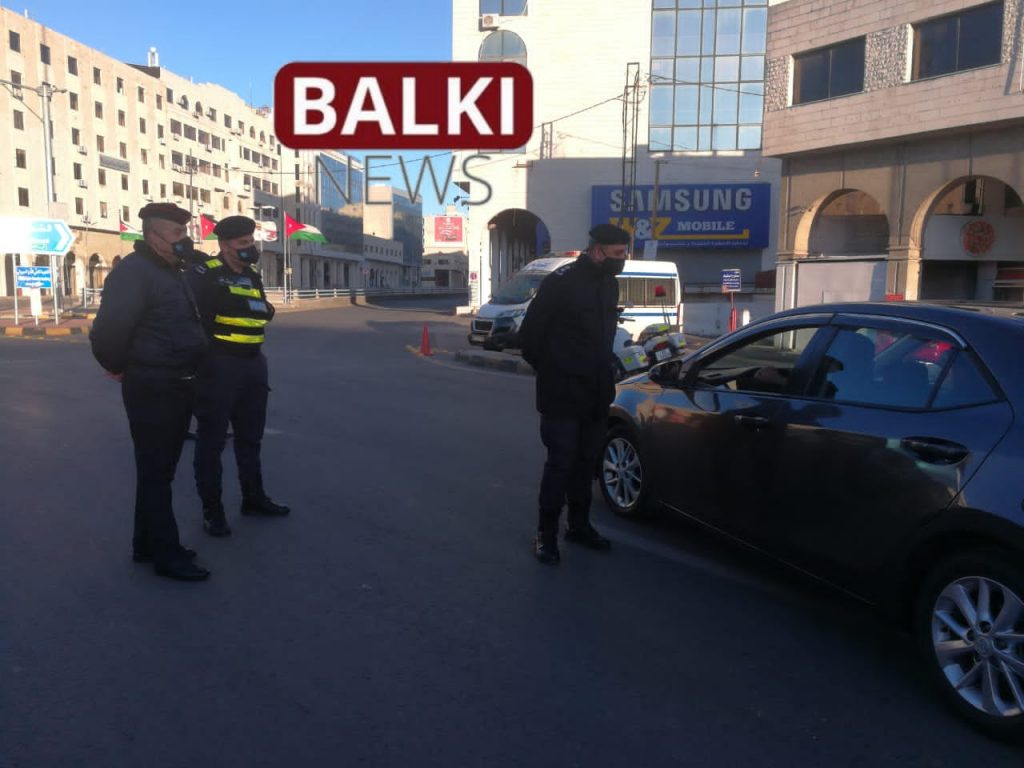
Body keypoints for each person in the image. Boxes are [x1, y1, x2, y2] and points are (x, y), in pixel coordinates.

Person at [89, 202, 211, 582]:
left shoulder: (170, 270)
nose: (184, 240)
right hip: (154, 386)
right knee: (158, 473)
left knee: (157, 472)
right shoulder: (134, 272)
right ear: (153, 236)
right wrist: (117, 365)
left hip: (177, 382)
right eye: (177, 234)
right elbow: (108, 330)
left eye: (185, 232)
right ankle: (166, 554)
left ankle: (146, 543)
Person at [518, 224, 630, 564]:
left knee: (586, 462)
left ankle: (578, 526)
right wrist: (554, 370)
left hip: (596, 392)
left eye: (624, 253)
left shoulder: (609, 284)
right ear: (597, 251)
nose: (622, 260)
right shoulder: (561, 282)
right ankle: (546, 534)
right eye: (617, 254)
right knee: (561, 463)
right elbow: (529, 337)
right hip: (562, 392)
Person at [187, 215, 289, 538]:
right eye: (243, 243)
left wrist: (254, 308)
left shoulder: (251, 275)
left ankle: (253, 498)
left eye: (251, 242)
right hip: (218, 366)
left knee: (250, 438)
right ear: (225, 245)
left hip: (253, 364)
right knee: (212, 441)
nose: (250, 248)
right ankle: (212, 511)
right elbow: (192, 320)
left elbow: (261, 311)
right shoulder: (204, 274)